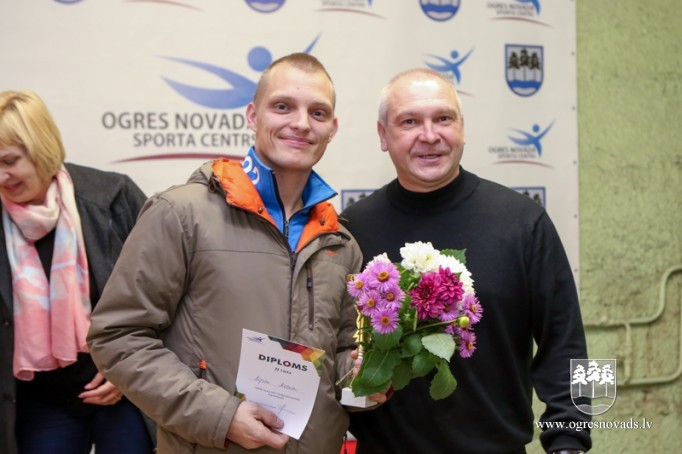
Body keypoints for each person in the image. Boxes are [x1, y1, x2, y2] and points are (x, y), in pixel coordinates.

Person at [87, 53, 365, 454]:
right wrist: (221, 416)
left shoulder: (340, 242)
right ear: (253, 115)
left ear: (332, 128)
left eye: (317, 112)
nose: (302, 123)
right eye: (283, 106)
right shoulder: (181, 214)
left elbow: (339, 360)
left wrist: (366, 379)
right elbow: (117, 336)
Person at [341, 68, 592, 454]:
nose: (429, 135)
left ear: (462, 128)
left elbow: (568, 346)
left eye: (443, 118)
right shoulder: (353, 229)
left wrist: (570, 443)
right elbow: (336, 353)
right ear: (383, 135)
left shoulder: (523, 223)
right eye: (410, 122)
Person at [0, 90, 153, 454]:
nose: (1, 176)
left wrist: (127, 368)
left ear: (41, 147)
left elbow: (165, 290)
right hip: (39, 401)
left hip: (126, 390)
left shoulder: (112, 197)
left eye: (9, 161)